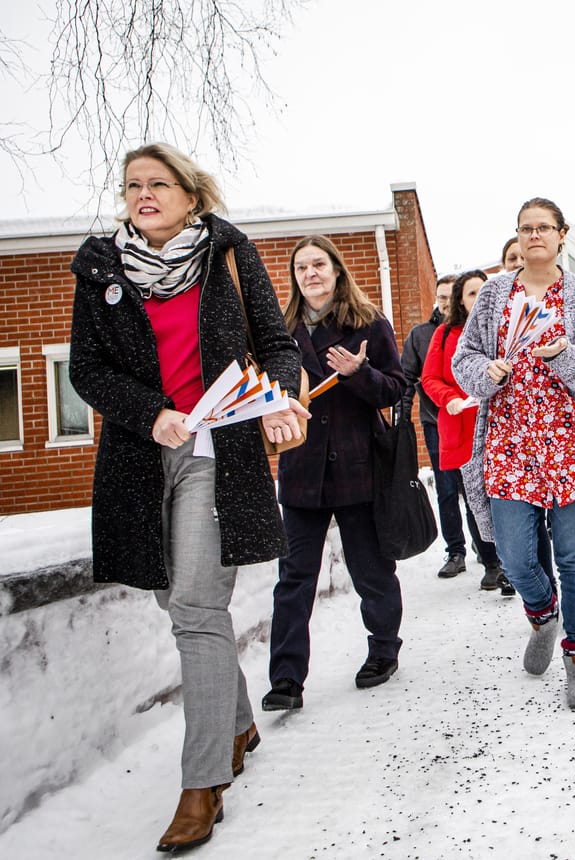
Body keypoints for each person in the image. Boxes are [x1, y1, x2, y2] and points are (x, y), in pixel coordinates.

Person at [69, 143, 307, 852]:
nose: (144, 195)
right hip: (140, 461)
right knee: (173, 601)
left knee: (198, 609)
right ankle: (236, 722)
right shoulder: (101, 267)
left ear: (189, 194)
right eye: (133, 185)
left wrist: (279, 400)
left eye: (158, 184)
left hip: (216, 451)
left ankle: (201, 783)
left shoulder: (227, 256)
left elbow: (277, 343)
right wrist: (148, 414)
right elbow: (85, 369)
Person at [453, 197, 575, 709]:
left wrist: (565, 355)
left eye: (543, 227)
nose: (534, 236)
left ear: (561, 235)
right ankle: (543, 613)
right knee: (514, 555)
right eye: (525, 229)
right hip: (508, 444)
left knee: (573, 558)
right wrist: (487, 373)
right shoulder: (495, 294)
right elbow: (465, 359)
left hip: (569, 444)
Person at [263, 235, 408, 714]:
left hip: (356, 466)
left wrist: (358, 375)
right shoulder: (278, 331)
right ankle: (285, 678)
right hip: (302, 471)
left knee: (370, 568)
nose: (311, 274)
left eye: (319, 264)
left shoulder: (367, 323)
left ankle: (384, 647)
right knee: (294, 578)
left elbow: (394, 389)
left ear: (337, 270)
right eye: (301, 267)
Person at [421, 270, 509, 592]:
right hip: (463, 426)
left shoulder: (507, 331)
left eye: (484, 291)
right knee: (475, 499)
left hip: (503, 428)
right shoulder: (445, 335)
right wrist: (451, 399)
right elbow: (429, 378)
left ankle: (512, 563)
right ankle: (491, 562)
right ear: (461, 299)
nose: (479, 297)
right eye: (472, 293)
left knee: (507, 497)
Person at [401, 274, 477, 580]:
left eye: (450, 296)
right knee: (447, 490)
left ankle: (489, 553)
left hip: (471, 420)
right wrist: (402, 419)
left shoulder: (472, 330)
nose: (445, 302)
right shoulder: (422, 335)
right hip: (436, 422)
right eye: (441, 296)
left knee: (474, 490)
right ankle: (455, 551)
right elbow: (407, 377)